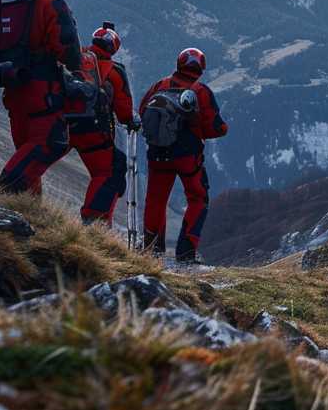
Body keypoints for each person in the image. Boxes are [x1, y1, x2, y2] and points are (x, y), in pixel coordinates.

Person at [0, 0, 81, 196]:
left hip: (14, 87)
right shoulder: (51, 3)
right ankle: (7, 189)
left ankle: (29, 211)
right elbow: (68, 51)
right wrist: (76, 70)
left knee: (26, 148)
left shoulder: (16, 3)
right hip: (41, 89)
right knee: (49, 143)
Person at [139, 47, 227, 263]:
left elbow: (142, 111)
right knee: (198, 198)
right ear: (201, 68)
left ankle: (152, 250)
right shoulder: (200, 91)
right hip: (187, 156)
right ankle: (186, 252)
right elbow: (217, 128)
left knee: (156, 200)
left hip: (157, 153)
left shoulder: (160, 86)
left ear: (179, 64)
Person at [64, 26, 137, 224]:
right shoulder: (114, 71)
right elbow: (123, 113)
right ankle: (94, 221)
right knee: (110, 170)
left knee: (42, 157)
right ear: (113, 48)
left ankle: (22, 195)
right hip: (93, 131)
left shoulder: (74, 58)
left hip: (63, 124)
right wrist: (132, 121)